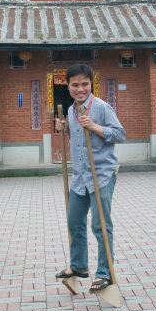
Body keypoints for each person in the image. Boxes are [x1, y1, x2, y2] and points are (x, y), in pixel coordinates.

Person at [53, 64, 126, 291]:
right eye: (75, 85)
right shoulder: (71, 111)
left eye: (84, 84)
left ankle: (104, 273)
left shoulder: (102, 107)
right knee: (74, 220)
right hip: (80, 176)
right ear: (68, 85)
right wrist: (63, 128)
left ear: (91, 84)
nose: (80, 89)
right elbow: (75, 138)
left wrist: (94, 126)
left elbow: (120, 134)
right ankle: (79, 266)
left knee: (100, 225)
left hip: (101, 174)